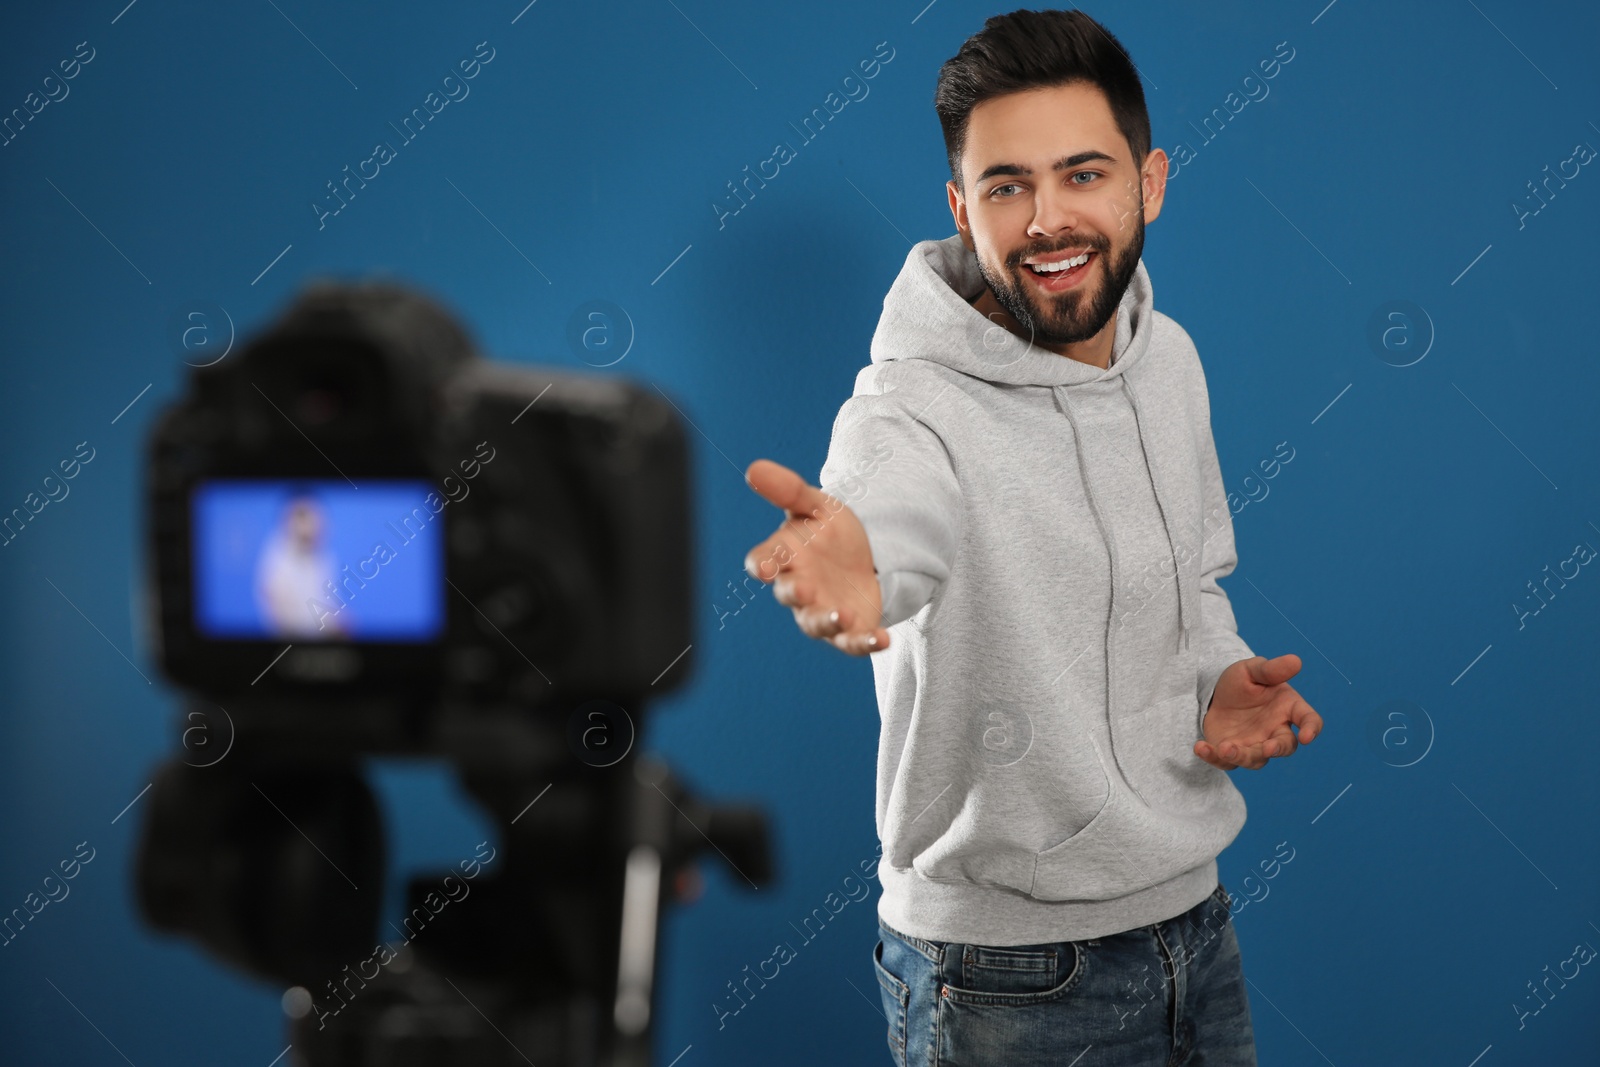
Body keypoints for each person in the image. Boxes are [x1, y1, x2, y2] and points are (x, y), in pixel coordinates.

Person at [740, 9, 1323, 1065]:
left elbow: (1191, 581)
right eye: (1007, 186)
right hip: (1004, 977)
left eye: (1082, 174)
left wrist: (1216, 675)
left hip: (1194, 922)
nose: (1046, 219)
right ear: (964, 209)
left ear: (1147, 184)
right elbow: (890, 518)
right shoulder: (904, 408)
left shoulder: (1170, 360)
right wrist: (858, 560)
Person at [255, 493, 343, 637]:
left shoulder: (323, 556)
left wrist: (336, 622)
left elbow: (327, 608)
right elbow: (285, 619)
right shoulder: (277, 557)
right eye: (303, 517)